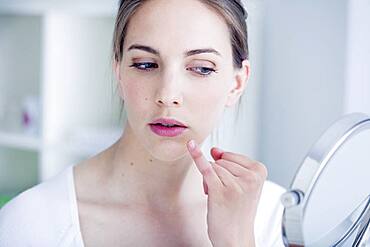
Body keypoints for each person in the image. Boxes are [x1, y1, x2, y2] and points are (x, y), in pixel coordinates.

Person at [0, 0, 286, 246]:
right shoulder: (29, 225)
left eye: (201, 68)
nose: (167, 95)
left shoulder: (276, 217)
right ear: (119, 73)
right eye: (146, 64)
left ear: (237, 82)